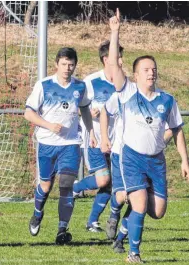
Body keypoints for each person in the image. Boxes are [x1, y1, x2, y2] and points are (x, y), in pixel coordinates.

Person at [108, 9, 189, 262]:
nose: (151, 73)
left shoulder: (167, 100)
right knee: (140, 204)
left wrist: (185, 160)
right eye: (146, 69)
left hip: (156, 160)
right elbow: (112, 66)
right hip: (131, 157)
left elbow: (177, 129)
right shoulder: (127, 92)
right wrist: (115, 32)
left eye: (153, 69)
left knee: (158, 211)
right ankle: (134, 254)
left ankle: (123, 231)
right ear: (136, 75)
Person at [25, 47, 97, 244]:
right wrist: (48, 125)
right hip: (47, 144)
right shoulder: (44, 85)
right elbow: (28, 113)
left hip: (71, 144)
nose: (68, 68)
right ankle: (38, 213)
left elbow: (85, 110)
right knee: (46, 186)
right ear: (56, 64)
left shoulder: (80, 87)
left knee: (66, 185)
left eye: (71, 64)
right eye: (64, 64)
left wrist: (90, 132)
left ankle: (61, 230)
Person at [100, 93, 174, 253]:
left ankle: (120, 240)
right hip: (122, 154)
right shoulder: (123, 96)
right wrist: (104, 137)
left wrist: (156, 143)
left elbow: (170, 130)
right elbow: (105, 111)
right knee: (123, 196)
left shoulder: (159, 102)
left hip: (148, 160)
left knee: (140, 201)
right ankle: (114, 213)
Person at [72, 40, 124, 233]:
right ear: (106, 59)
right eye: (118, 56)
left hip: (116, 141)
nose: (121, 60)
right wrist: (87, 113)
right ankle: (75, 188)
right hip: (94, 138)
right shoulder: (92, 81)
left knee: (110, 183)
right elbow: (78, 107)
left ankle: (92, 221)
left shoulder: (123, 83)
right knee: (103, 179)